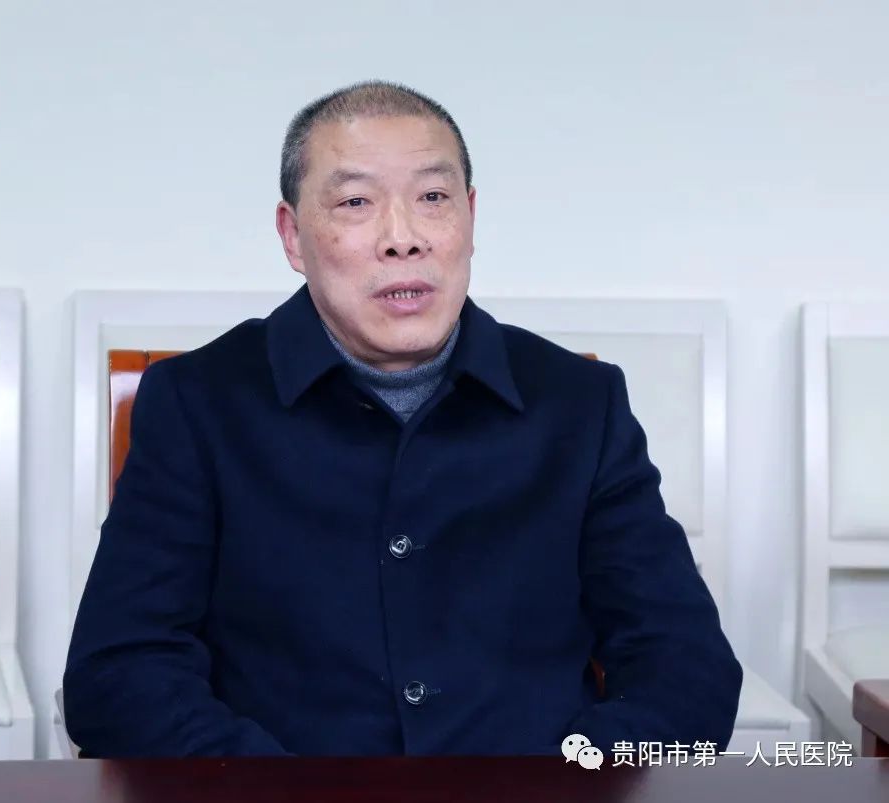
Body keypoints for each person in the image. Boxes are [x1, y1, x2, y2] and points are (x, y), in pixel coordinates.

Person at [63, 80, 742, 757]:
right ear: (292, 236)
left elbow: (687, 667)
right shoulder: (198, 404)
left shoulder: (579, 406)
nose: (403, 239)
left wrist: (564, 779)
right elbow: (119, 673)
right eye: (356, 202)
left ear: (470, 217)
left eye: (433, 198)